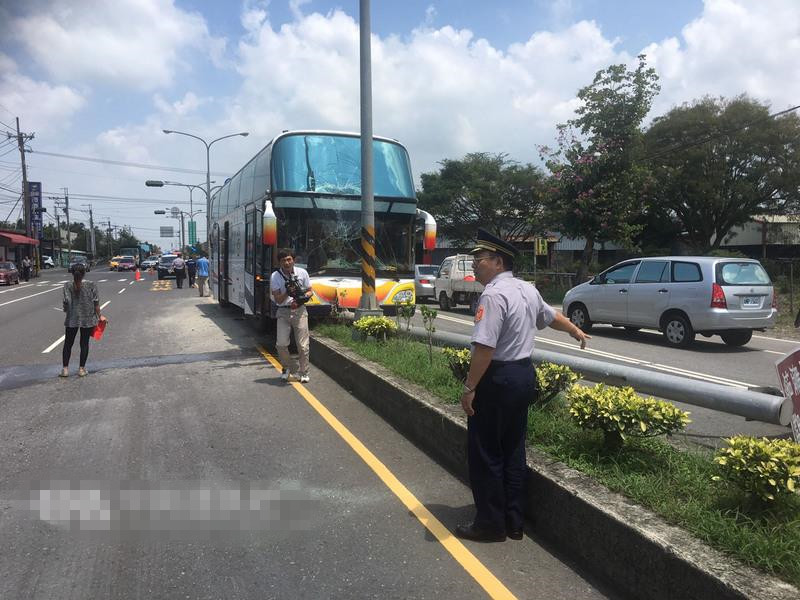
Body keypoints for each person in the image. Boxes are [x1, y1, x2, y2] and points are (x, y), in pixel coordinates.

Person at [455, 229, 590, 543]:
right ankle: (514, 522)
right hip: (522, 376)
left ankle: (490, 524)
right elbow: (550, 315)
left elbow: (485, 348)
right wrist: (574, 330)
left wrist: (469, 387)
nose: (474, 265)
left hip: (497, 378)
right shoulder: (527, 289)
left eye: (480, 260)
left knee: (485, 452)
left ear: (498, 262)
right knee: (513, 449)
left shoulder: (492, 294)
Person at [270, 248, 313, 383]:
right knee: (281, 344)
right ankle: (287, 367)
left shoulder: (302, 273)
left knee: (303, 345)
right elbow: (278, 300)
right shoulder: (275, 276)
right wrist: (288, 292)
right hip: (283, 311)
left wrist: (303, 298)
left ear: (293, 260)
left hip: (300, 311)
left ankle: (304, 371)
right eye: (283, 260)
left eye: (289, 259)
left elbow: (310, 291)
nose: (287, 263)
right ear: (280, 263)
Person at [60, 263, 106, 377]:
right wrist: (100, 316)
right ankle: (81, 369)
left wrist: (66, 309)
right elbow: (96, 303)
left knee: (68, 344)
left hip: (72, 318)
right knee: (84, 343)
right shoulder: (91, 285)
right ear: (84, 273)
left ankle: (65, 370)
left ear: (72, 273)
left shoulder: (67, 286)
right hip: (87, 318)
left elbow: (66, 302)